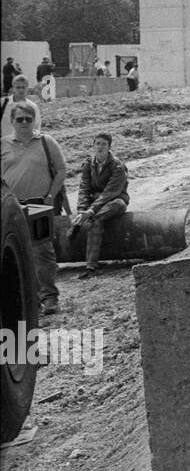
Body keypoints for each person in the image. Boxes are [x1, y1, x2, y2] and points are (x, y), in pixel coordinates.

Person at [1, 101, 66, 315]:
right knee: (17, 253)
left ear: (34, 121)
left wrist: (50, 196)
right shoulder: (3, 145)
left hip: (40, 204)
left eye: (28, 119)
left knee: (43, 252)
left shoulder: (46, 141)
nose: (24, 123)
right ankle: (29, 301)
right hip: (12, 208)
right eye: (19, 119)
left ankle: (49, 298)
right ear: (11, 121)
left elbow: (61, 170)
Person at [71, 133, 129, 278]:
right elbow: (84, 189)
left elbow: (110, 192)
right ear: (93, 146)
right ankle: (91, 267)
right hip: (95, 206)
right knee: (95, 221)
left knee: (113, 206)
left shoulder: (118, 166)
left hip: (114, 201)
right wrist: (81, 210)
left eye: (104, 144)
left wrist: (90, 211)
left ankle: (85, 223)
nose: (100, 147)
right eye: (97, 143)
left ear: (109, 147)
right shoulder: (89, 165)